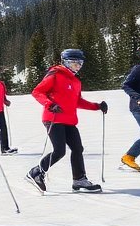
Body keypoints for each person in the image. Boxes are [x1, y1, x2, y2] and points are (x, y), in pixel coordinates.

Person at [26, 49, 106, 193]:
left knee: (77, 149)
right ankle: (36, 172)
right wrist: (50, 104)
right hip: (53, 118)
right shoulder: (55, 74)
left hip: (69, 120)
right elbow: (37, 92)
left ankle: (79, 180)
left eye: (80, 63)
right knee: (59, 151)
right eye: (75, 63)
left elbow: (78, 101)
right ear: (66, 62)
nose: (78, 66)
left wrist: (97, 106)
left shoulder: (76, 81)